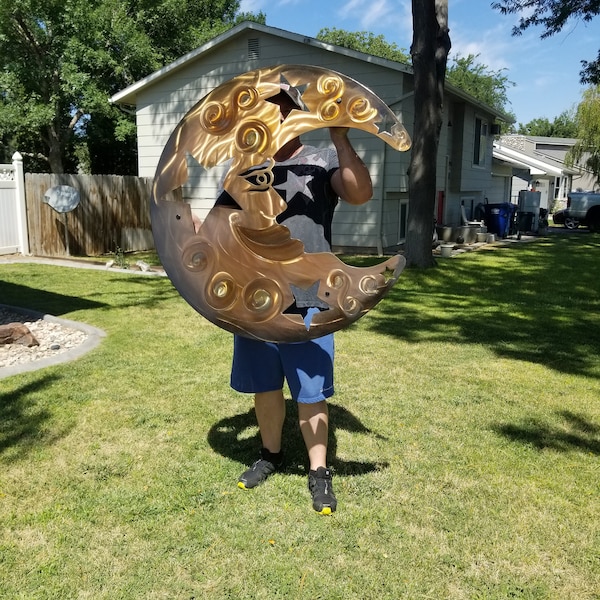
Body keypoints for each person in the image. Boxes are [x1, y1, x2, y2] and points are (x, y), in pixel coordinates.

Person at [215, 84, 373, 514]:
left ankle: (318, 470)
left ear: (300, 116)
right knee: (264, 385)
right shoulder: (244, 170)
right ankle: (270, 455)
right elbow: (219, 227)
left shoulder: (321, 161)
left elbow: (360, 193)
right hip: (256, 295)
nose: (276, 120)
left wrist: (341, 135)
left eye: (284, 112)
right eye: (269, 113)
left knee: (310, 388)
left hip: (310, 293)